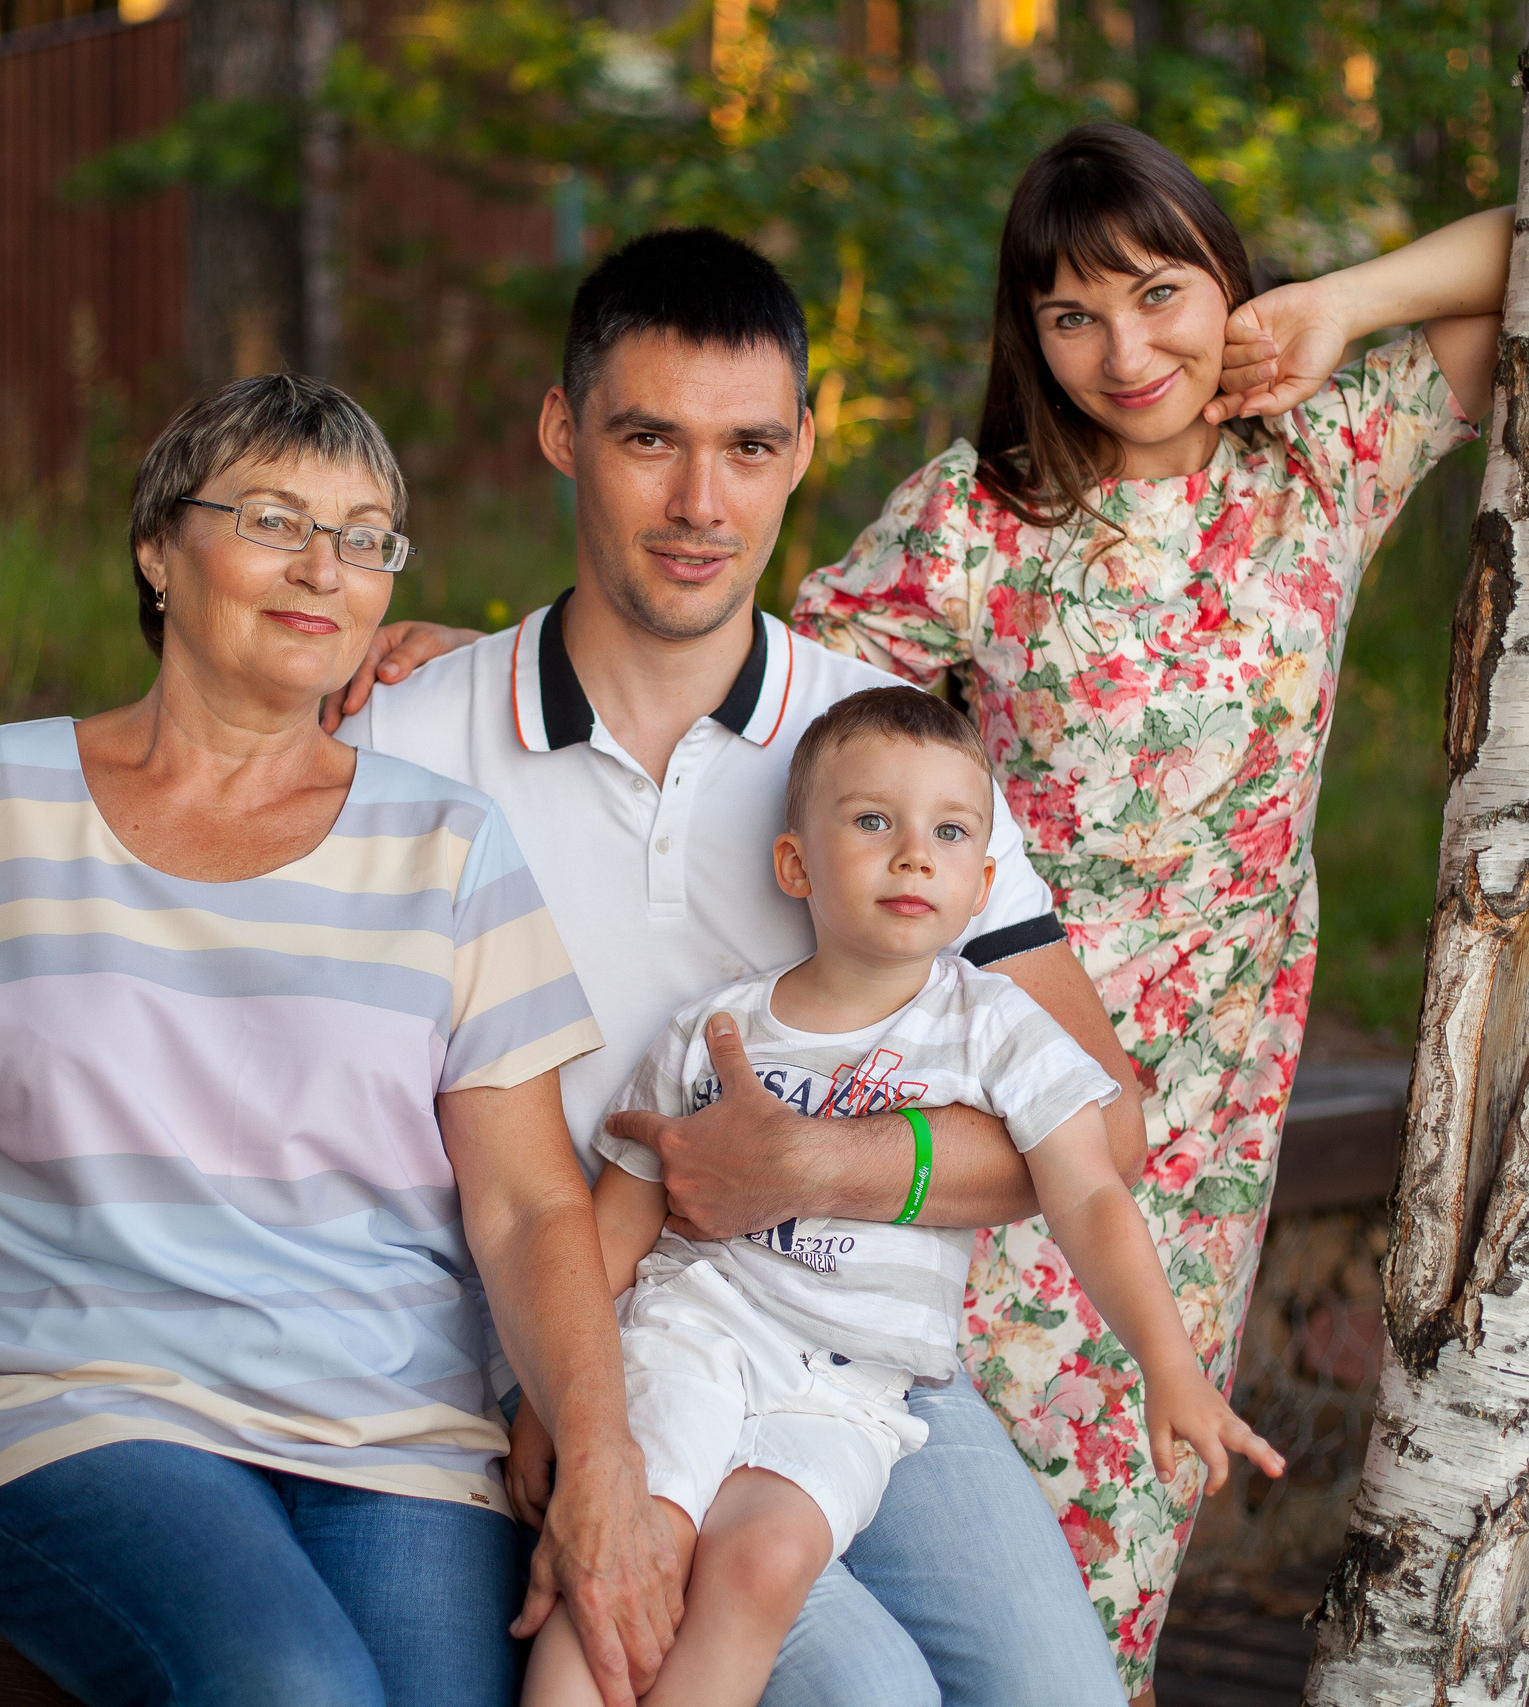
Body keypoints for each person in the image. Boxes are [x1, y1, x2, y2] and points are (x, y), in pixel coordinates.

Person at [0, 228, 1144, 1705]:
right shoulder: (401, 731)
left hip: (847, 1333)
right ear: (562, 433)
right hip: (552, 1353)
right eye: (647, 438)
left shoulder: (877, 741)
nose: (698, 501)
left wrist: (813, 1168)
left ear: (806, 447)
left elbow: (1099, 1119)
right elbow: (195, 1032)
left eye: (745, 446)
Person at [0, 377, 681, 1707]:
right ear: (156, 549)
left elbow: (531, 1204)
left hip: (393, 1431)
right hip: (76, 1404)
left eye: (366, 536)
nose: (325, 568)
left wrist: (599, 1459)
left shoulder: (450, 841)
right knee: (292, 1686)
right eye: (271, 519)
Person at [789, 122, 1513, 1695]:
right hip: (1000, 1074)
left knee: (1121, 1521)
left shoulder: (1320, 460)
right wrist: (505, 650)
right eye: (1070, 313)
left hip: (1209, 1104)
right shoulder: (983, 522)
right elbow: (769, 705)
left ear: (1225, 286)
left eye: (1161, 292)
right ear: (1024, 332)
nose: (1123, 351)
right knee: (922, 1505)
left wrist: (1337, 303)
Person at [513, 685, 1286, 1707]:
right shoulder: (714, 1028)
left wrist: (1170, 1366)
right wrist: (549, 1399)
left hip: (855, 1383)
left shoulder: (994, 1028)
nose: (913, 853)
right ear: (797, 863)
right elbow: (620, 1217)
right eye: (873, 822)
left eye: (949, 832)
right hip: (692, 1331)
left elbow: (1091, 1192)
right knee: (636, 1547)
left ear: (981, 886)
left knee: (765, 1564)